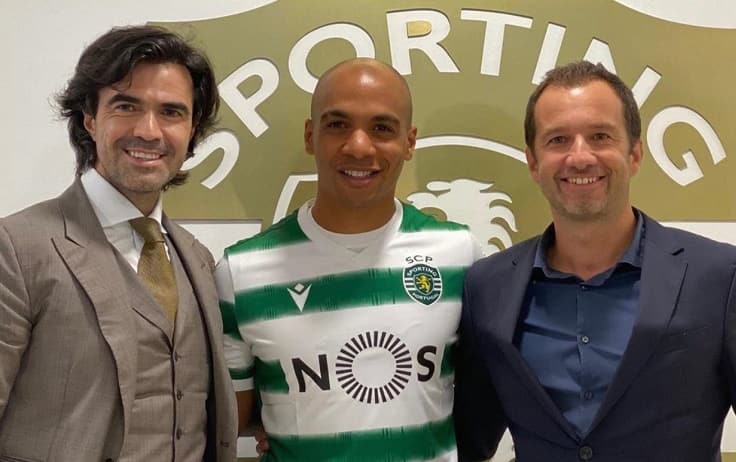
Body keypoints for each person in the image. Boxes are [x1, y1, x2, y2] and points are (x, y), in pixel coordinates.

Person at [454, 60, 736, 461]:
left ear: (634, 153)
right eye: (558, 140)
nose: (580, 157)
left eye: (600, 136)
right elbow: (470, 440)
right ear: (533, 162)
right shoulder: (487, 287)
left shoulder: (719, 276)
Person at [216, 58, 481, 461]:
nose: (358, 146)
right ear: (311, 136)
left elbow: (485, 393)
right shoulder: (241, 273)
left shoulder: (460, 255)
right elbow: (232, 420)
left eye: (382, 128)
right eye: (338, 124)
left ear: (410, 142)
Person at [0, 25, 237, 461]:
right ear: (90, 119)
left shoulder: (199, 260)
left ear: (192, 131)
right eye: (126, 106)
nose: (148, 131)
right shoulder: (15, 249)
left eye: (171, 112)